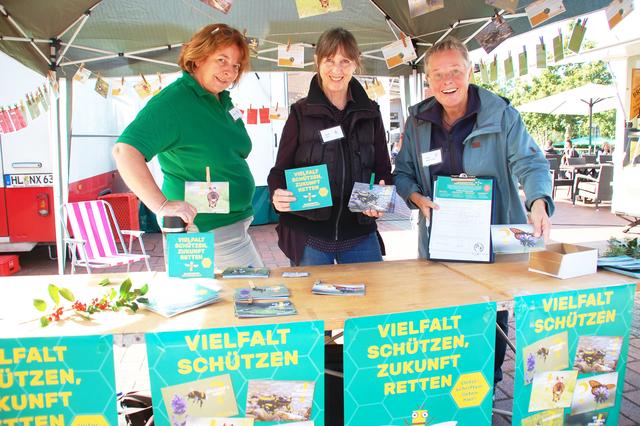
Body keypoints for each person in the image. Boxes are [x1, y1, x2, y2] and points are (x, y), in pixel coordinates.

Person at [393, 37, 554, 390]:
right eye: (438, 74)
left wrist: (539, 201)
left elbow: (530, 162)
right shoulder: (417, 121)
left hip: (493, 240)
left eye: (455, 71)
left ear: (470, 72)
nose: (447, 80)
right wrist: (417, 198)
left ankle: (488, 383)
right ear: (428, 81)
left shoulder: (501, 115)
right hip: (440, 240)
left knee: (491, 311)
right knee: (442, 314)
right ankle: (448, 383)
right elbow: (402, 173)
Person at [112, 23, 263, 269]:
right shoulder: (175, 101)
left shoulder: (221, 100)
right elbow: (125, 151)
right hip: (203, 230)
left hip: (232, 224)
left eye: (236, 65)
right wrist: (161, 205)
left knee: (219, 302)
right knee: (254, 296)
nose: (230, 71)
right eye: (222, 60)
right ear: (198, 58)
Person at [267, 27, 392, 266]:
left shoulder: (371, 113)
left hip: (359, 233)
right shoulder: (300, 113)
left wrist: (379, 200)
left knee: (371, 301)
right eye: (329, 60)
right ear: (317, 62)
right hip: (309, 235)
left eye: (345, 61)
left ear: (356, 63)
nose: (337, 69)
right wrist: (276, 193)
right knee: (314, 303)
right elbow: (279, 172)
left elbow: (384, 170)